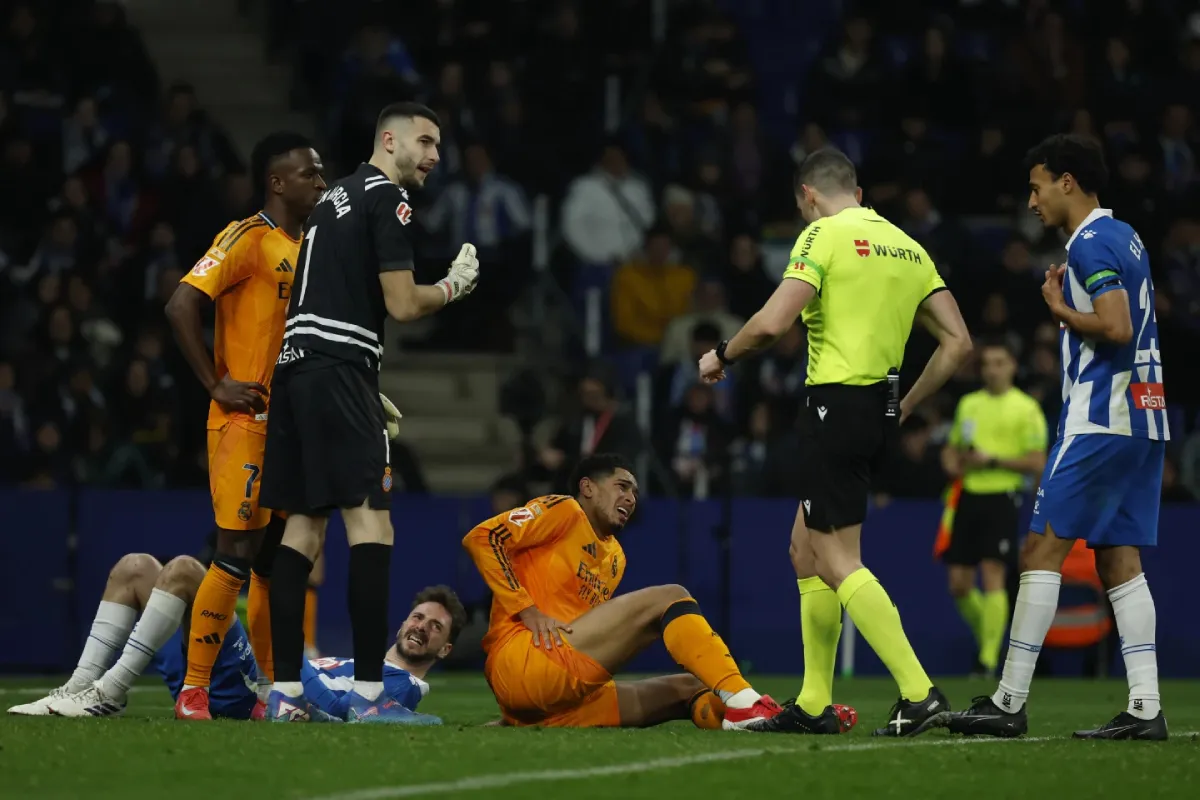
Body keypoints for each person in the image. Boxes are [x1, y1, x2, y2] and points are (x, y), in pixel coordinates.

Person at [698, 147, 973, 736]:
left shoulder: (821, 234)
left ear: (808, 195)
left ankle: (919, 692)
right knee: (804, 549)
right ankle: (814, 704)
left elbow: (772, 323)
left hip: (833, 405)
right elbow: (958, 342)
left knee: (837, 559)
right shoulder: (908, 246)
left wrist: (721, 355)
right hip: (875, 409)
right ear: (860, 192)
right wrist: (905, 405)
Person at [258, 102, 480, 724]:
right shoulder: (387, 198)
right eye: (425, 141)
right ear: (389, 140)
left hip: (296, 369)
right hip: (338, 368)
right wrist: (454, 287)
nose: (435, 156)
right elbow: (403, 304)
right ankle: (367, 697)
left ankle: (285, 695)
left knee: (302, 531)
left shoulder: (331, 200)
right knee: (372, 528)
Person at [946, 134, 1169, 740]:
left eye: (1037, 187)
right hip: (1144, 415)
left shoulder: (1091, 243)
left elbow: (1115, 326)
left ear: (1067, 181)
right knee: (1119, 559)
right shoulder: (1126, 235)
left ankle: (1008, 700)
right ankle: (1146, 707)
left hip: (1100, 418)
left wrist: (1058, 307)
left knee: (1040, 551)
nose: (1032, 202)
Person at [463, 453, 837, 732]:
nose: (631, 498)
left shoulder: (615, 558)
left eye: (635, 493)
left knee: (690, 688)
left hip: (558, 695)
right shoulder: (565, 510)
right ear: (588, 488)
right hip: (525, 658)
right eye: (622, 486)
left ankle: (770, 722)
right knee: (670, 596)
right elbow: (484, 537)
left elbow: (592, 631)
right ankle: (746, 701)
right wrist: (526, 609)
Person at [163, 132, 326, 720]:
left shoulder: (314, 246)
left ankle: (266, 692)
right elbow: (181, 303)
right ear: (277, 182)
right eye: (309, 173)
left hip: (293, 427)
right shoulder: (247, 237)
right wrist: (215, 384)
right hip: (245, 420)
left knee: (274, 562)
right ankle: (194, 689)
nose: (321, 182)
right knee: (234, 552)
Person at [7, 552, 462, 726]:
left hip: (247, 693)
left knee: (187, 571)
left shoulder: (405, 686)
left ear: (444, 649)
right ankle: (78, 686)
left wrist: (286, 658)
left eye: (434, 627)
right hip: (222, 680)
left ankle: (107, 692)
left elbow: (344, 710)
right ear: (402, 622)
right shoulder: (362, 663)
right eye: (418, 617)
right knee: (135, 568)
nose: (421, 626)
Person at [940, 340, 1048, 676]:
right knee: (958, 584)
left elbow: (1037, 461)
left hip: (1003, 495)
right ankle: (989, 637)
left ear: (1012, 366)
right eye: (986, 363)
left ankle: (986, 660)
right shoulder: (969, 404)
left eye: (999, 362)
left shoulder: (1026, 408)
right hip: (968, 494)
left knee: (993, 573)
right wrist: (951, 461)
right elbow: (953, 448)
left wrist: (993, 460)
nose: (992, 370)